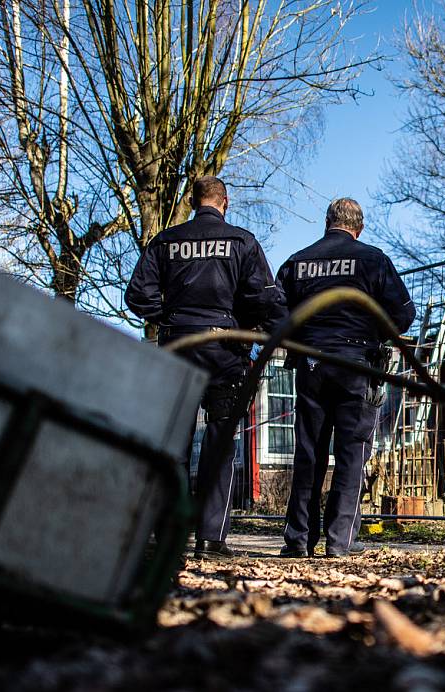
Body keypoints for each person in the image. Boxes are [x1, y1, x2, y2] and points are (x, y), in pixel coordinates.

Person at [125, 176, 285, 559]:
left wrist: (169, 317)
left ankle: (171, 534)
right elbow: (263, 298)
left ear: (193, 202)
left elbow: (137, 294)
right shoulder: (242, 242)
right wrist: (249, 330)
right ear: (225, 202)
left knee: (174, 443)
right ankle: (212, 538)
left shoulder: (165, 241)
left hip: (178, 343)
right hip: (225, 350)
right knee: (219, 441)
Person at [276, 198, 415, 557]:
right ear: (360, 227)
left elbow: (276, 313)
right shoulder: (373, 260)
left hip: (310, 363)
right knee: (352, 453)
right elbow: (404, 314)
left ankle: (298, 541)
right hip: (357, 363)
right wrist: (375, 334)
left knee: (309, 452)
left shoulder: (297, 262)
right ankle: (339, 542)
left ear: (327, 223)